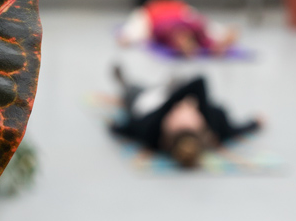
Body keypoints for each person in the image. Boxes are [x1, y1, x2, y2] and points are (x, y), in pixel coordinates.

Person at [110, 66, 263, 169]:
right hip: (172, 95)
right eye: (189, 122)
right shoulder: (215, 126)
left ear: (167, 131)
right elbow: (238, 130)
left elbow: (121, 128)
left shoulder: (150, 129)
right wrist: (255, 122)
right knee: (174, 85)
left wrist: (171, 103)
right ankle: (172, 82)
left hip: (151, 100)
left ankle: (124, 82)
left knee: (132, 92)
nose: (181, 115)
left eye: (178, 121)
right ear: (201, 127)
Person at [117, 0, 240, 58]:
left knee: (199, 19)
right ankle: (127, 35)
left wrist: (214, 46)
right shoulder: (155, 23)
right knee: (139, 27)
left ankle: (223, 33)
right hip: (153, 13)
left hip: (177, 11)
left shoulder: (191, 24)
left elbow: (203, 32)